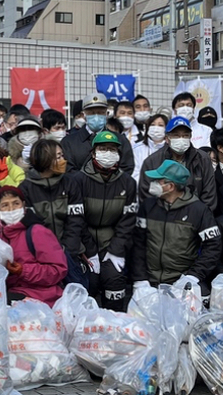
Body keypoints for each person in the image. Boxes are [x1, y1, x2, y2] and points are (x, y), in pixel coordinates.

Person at [132, 160, 221, 289]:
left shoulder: (198, 210)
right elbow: (138, 243)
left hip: (182, 280)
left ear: (171, 186)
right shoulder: (148, 206)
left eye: (158, 181)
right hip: (149, 281)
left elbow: (213, 246)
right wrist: (140, 278)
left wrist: (193, 276)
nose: (153, 183)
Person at [74, 131, 137, 311]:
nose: (107, 153)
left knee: (115, 280)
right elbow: (75, 218)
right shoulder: (78, 180)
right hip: (84, 244)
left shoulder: (128, 183)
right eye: (103, 149)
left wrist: (116, 249)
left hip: (112, 242)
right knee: (90, 283)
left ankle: (114, 323)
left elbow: (128, 219)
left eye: (112, 149)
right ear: (93, 153)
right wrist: (89, 250)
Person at [18, 140, 88, 286]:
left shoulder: (70, 183)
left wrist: (67, 251)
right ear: (45, 159)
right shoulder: (26, 188)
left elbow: (75, 220)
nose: (63, 160)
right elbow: (32, 227)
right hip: (42, 256)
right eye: (58, 157)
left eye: (62, 156)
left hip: (69, 252)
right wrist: (51, 252)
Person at [0, 186, 68, 306]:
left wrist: (23, 271)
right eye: (5, 205)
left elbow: (59, 269)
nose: (11, 209)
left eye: (16, 203)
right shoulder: (1, 236)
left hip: (42, 297)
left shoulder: (37, 232)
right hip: (14, 294)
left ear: (23, 205)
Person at [139, 117, 217, 211]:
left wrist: (200, 216)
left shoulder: (202, 159)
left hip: (195, 217)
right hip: (163, 217)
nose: (181, 139)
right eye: (176, 136)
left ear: (190, 137)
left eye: (185, 136)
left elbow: (209, 194)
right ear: (167, 138)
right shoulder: (152, 161)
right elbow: (147, 195)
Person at [62, 93, 134, 175]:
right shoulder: (69, 142)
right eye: (91, 113)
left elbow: (127, 167)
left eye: (100, 112)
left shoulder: (120, 140)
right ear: (84, 115)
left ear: (106, 114)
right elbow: (68, 170)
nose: (96, 116)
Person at [132, 112, 168, 181]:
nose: (156, 128)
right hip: (141, 188)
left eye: (160, 125)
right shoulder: (137, 148)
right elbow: (135, 173)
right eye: (152, 125)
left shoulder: (170, 149)